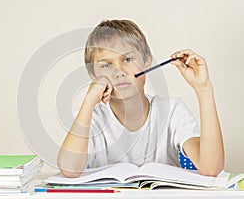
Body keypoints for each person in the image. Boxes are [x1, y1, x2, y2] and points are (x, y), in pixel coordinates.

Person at [57, 19, 224, 178]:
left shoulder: (172, 111)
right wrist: (88, 102)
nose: (119, 71)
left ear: (147, 61)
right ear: (93, 74)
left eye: (127, 59)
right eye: (106, 65)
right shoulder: (89, 118)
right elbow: (69, 170)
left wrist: (203, 88)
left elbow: (211, 168)